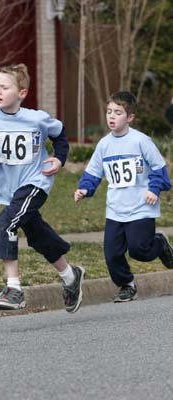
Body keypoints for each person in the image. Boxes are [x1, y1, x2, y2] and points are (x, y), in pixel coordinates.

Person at [0, 63, 84, 312]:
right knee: (37, 233)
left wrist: (59, 159)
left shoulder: (36, 118)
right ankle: (71, 276)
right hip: (10, 190)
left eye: (4, 87)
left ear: (22, 92)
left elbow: (60, 135)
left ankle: (14, 289)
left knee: (3, 226)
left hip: (35, 182)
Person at [74, 91, 173, 302]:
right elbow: (93, 172)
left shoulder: (141, 141)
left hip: (141, 206)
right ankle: (127, 285)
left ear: (129, 117)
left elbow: (160, 170)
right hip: (115, 209)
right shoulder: (104, 145)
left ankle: (159, 244)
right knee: (112, 254)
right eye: (109, 111)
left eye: (117, 112)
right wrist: (84, 188)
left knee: (139, 250)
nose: (111, 116)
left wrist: (154, 189)